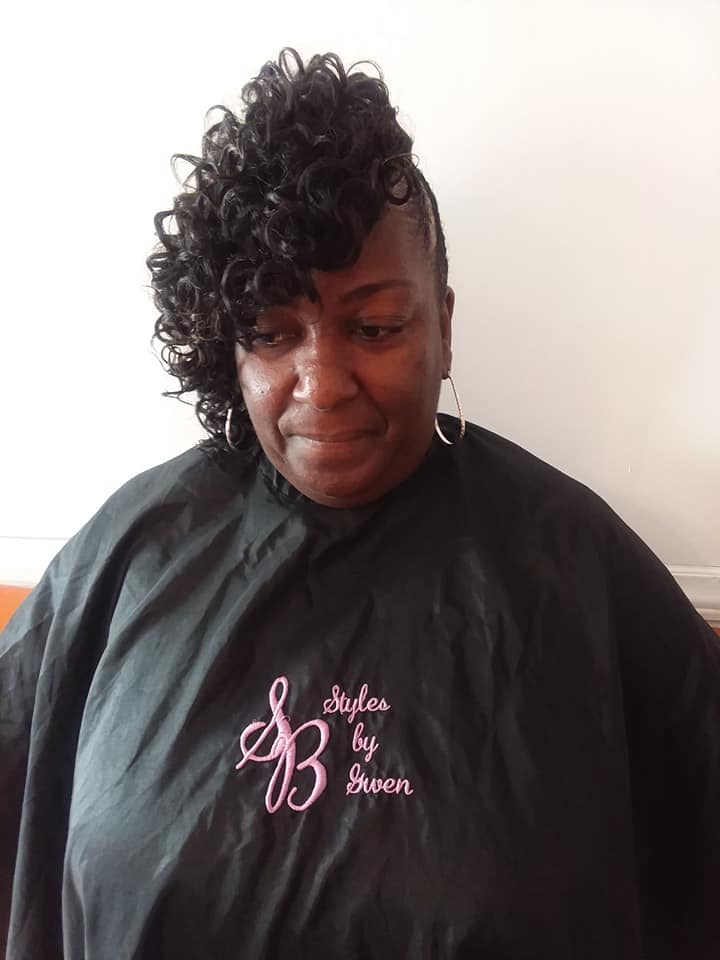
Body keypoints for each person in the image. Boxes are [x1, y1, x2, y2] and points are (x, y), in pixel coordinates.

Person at [1, 48, 719, 960]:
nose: (323, 384)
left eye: (374, 327)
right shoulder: (133, 548)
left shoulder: (573, 562)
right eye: (273, 334)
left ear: (443, 325)